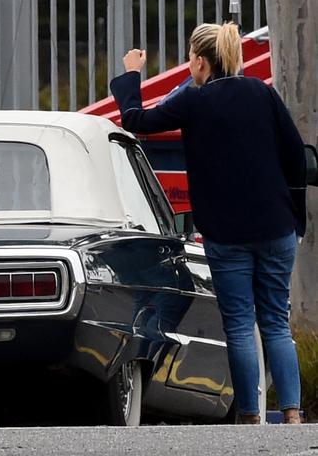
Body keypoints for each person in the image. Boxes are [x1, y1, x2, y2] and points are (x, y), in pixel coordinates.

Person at [110, 22, 306, 425]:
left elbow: (135, 120)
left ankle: (250, 417)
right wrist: (295, 219)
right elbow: (296, 158)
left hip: (226, 232)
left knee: (238, 323)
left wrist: (132, 73)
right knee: (275, 322)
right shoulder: (263, 94)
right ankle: (292, 414)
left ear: (199, 61)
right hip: (276, 227)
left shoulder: (193, 103)